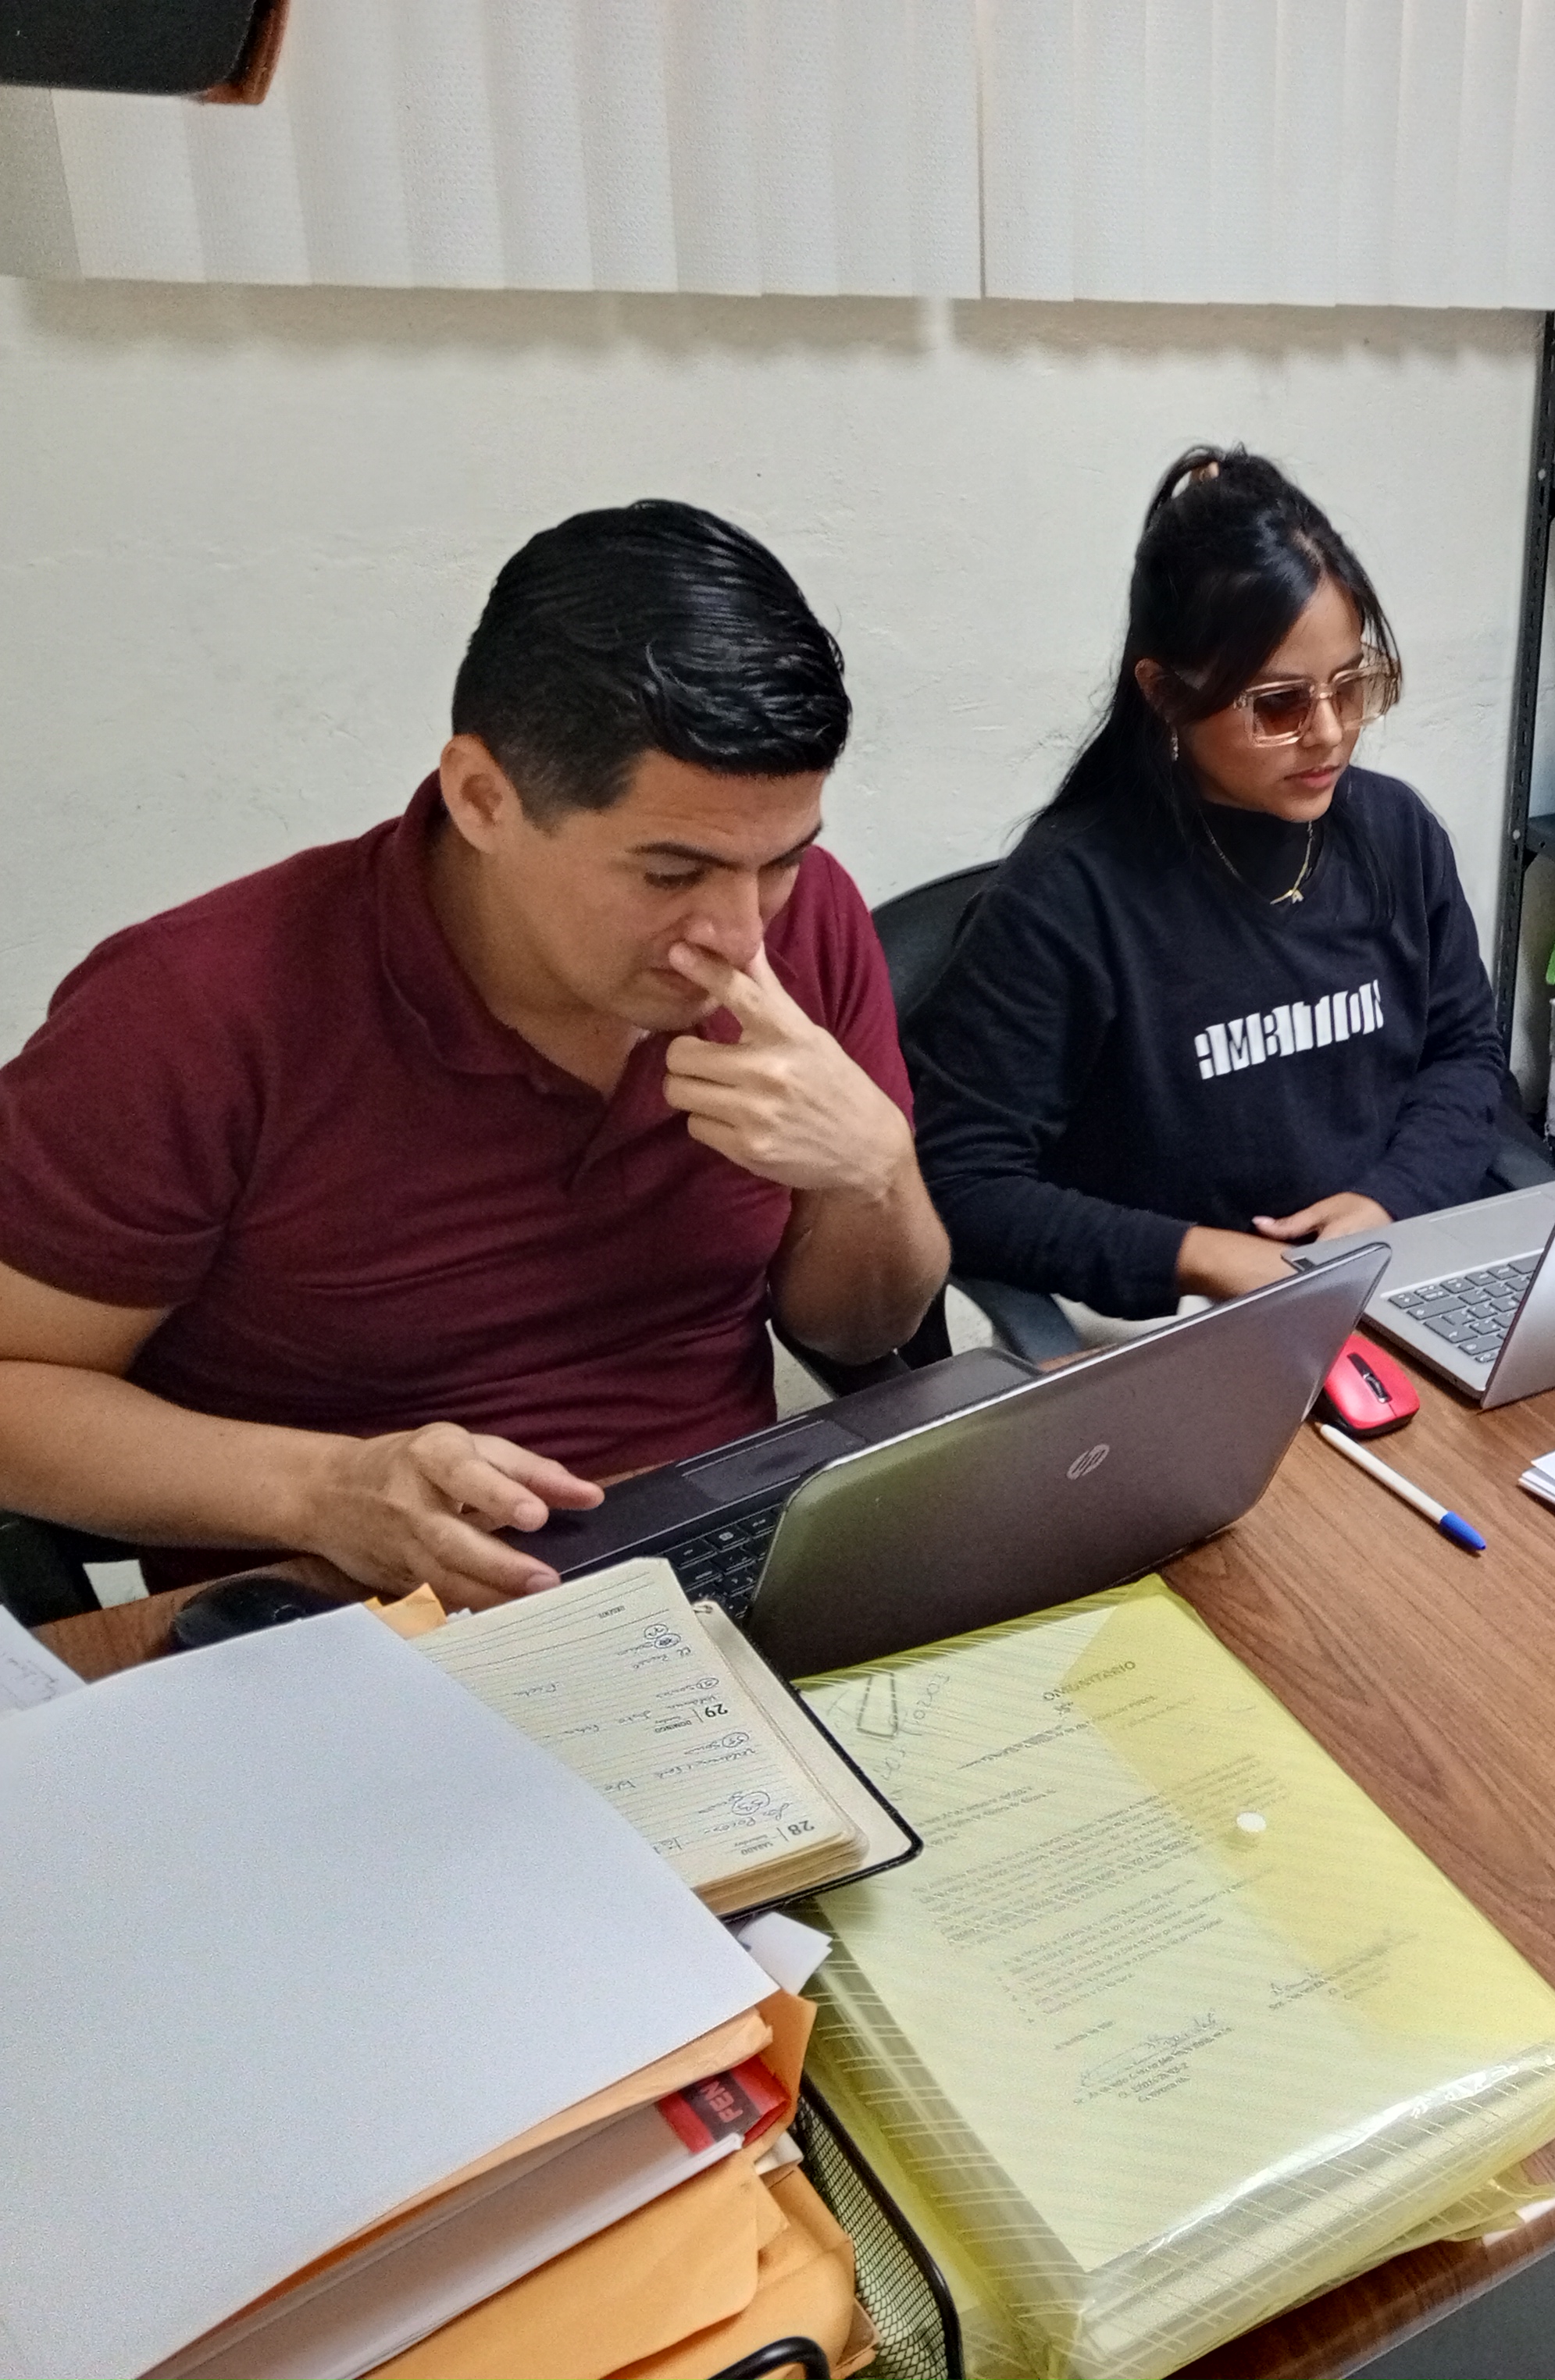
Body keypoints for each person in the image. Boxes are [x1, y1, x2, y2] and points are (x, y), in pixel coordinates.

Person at [0, 501, 948, 1609]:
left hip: (729, 1567)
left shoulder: (807, 920)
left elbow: (859, 1331)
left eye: (781, 860)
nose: (740, 934)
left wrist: (875, 1174)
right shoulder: (196, 1010)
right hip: (358, 1610)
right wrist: (320, 1490)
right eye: (669, 874)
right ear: (484, 798)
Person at [906, 449, 1507, 1323]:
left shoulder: (1397, 835)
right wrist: (1204, 1259)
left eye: (1351, 685)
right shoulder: (1072, 897)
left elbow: (1464, 1055)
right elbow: (960, 1178)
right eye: (1279, 704)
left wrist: (1389, 1201)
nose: (1329, 733)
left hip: (1391, 1275)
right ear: (1164, 693)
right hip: (1185, 1328)